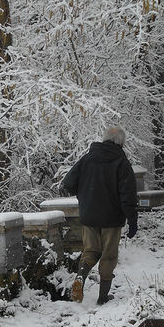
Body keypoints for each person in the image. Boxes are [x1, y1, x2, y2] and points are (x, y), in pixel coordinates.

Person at [60, 126, 138, 304]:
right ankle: (102, 298)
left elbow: (68, 185)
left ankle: (80, 277)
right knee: (108, 256)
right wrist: (132, 220)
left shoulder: (87, 159)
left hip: (89, 216)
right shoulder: (121, 162)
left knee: (90, 251)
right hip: (111, 218)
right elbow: (128, 195)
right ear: (121, 142)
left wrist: (87, 192)